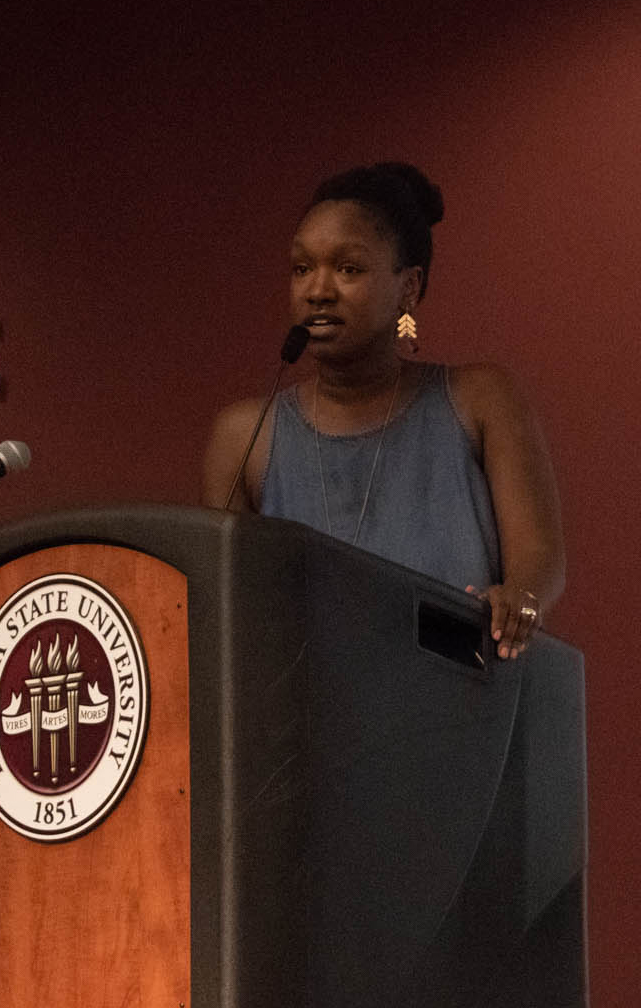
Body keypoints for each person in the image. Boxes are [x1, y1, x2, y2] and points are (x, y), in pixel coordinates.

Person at [202, 162, 565, 659]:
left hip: (458, 710)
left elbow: (538, 559)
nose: (317, 290)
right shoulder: (246, 435)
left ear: (409, 288)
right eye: (302, 268)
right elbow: (226, 606)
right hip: (307, 722)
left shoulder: (483, 400)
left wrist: (517, 601)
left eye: (348, 269)